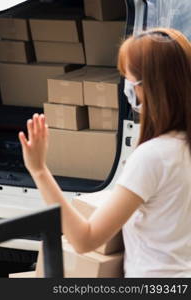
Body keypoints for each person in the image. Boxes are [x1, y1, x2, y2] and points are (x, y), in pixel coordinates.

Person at [19, 28, 191, 277]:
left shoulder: (153, 157)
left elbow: (85, 239)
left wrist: (39, 170)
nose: (127, 88)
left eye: (129, 80)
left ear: (150, 87)